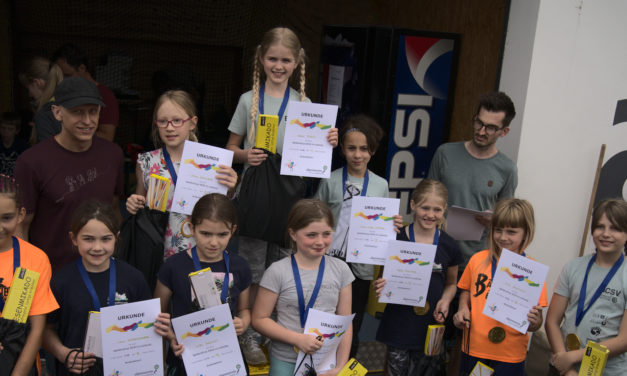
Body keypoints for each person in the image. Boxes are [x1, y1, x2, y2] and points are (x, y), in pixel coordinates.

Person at [225, 26, 338, 364]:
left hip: (289, 193)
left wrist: (328, 142)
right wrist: (247, 155)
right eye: (272, 58)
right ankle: (247, 334)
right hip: (256, 191)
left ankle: (271, 331)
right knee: (252, 266)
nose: (278, 65)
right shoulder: (249, 100)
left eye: (285, 60)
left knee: (280, 266)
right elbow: (230, 147)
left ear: (296, 63)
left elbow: (314, 161)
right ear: (261, 59)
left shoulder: (306, 105)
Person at [42, 200, 174, 375]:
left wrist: (160, 326)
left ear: (117, 237)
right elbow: (45, 329)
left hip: (127, 369)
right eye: (88, 239)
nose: (97, 247)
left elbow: (148, 329)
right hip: (78, 371)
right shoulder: (61, 281)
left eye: (106, 239)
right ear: (74, 238)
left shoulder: (134, 278)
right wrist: (64, 354)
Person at [15, 76, 124, 271]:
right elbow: (21, 226)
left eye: (93, 111)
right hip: (51, 274)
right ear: (57, 112)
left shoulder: (113, 154)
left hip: (102, 271)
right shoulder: (32, 162)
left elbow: (114, 209)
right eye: (77, 112)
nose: (88, 121)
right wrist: (27, 274)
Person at [313, 114, 395, 358]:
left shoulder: (381, 185)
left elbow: (383, 228)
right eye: (351, 148)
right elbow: (316, 215)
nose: (358, 155)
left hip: (360, 268)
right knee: (324, 320)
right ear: (342, 149)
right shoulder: (330, 179)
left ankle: (346, 366)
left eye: (364, 149)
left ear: (373, 150)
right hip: (328, 263)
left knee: (352, 324)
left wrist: (393, 224)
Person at [125, 90, 237, 258]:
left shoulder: (212, 161)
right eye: (163, 121)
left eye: (177, 121)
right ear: (156, 123)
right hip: (158, 250)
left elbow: (221, 209)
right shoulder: (147, 162)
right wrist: (133, 203)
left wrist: (231, 189)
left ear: (192, 123)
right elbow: (140, 204)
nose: (170, 128)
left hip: (201, 250)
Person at [154, 193, 253, 375]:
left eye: (222, 234)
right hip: (186, 356)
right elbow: (159, 315)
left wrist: (244, 322)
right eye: (205, 233)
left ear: (233, 230)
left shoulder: (240, 266)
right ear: (191, 228)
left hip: (227, 357)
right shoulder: (173, 267)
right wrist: (171, 336)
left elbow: (244, 309)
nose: (213, 242)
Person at [252, 199, 353, 376]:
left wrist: (340, 366)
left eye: (326, 234)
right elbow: (259, 319)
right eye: (311, 235)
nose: (320, 241)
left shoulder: (341, 269)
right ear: (293, 234)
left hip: (325, 362)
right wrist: (298, 339)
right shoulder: (277, 271)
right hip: (285, 360)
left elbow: (345, 322)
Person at [373, 179, 462, 375]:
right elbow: (382, 279)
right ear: (413, 204)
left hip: (431, 325)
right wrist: (380, 285)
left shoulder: (450, 245)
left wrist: (446, 301)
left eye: (437, 210)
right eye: (425, 208)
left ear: (445, 209)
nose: (430, 215)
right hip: (399, 325)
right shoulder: (395, 238)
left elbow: (451, 283)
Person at [453, 198, 547, 375]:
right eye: (498, 230)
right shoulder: (477, 260)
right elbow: (465, 290)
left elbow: (535, 323)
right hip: (474, 348)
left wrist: (535, 322)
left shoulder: (532, 272)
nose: (503, 237)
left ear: (526, 233)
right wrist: (462, 308)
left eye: (511, 232)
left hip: (510, 354)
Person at [428, 91, 517, 267]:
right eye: (479, 122)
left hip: (476, 262)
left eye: (490, 128)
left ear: (504, 132)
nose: (481, 131)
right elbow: (425, 197)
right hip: (436, 254)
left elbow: (507, 221)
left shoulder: (507, 169)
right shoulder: (445, 153)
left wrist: (495, 220)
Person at [545, 199, 627, 376]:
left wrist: (574, 357)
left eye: (615, 228)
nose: (606, 234)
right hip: (563, 367)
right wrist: (567, 367)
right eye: (600, 227)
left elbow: (624, 339)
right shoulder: (572, 267)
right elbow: (551, 321)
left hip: (607, 371)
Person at [0, 175, 59, 375]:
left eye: (6, 218)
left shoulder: (34, 259)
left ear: (20, 215)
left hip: (19, 361)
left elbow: (37, 329)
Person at [52, 43, 119, 142]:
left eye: (68, 75)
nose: (63, 81)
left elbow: (107, 137)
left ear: (82, 69)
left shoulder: (105, 95)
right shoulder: (65, 92)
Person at [18, 56, 64, 143]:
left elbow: (48, 154)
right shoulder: (69, 104)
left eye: (28, 89)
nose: (29, 94)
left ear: (37, 83)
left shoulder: (45, 114)